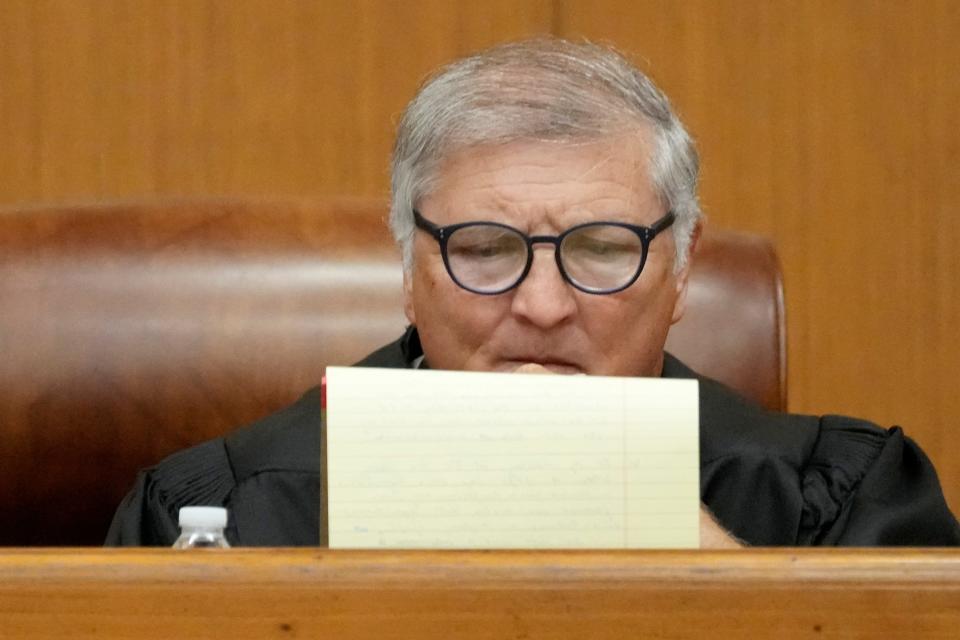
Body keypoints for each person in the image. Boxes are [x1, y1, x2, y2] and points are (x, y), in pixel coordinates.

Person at [106, 38, 960, 547]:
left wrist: (721, 585)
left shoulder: (839, 501)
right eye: (484, 250)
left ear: (685, 266)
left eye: (600, 249)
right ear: (409, 270)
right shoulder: (221, 513)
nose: (543, 306)